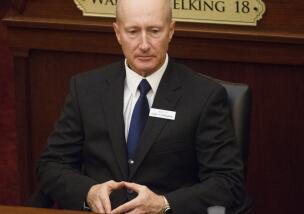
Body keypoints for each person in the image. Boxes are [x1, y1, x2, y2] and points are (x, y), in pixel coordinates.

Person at [37, 0, 246, 213]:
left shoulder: (204, 96)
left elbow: (227, 182)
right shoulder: (86, 89)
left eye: (154, 31)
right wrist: (88, 192)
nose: (144, 44)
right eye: (133, 31)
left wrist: (164, 204)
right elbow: (51, 165)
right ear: (118, 33)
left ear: (171, 31)